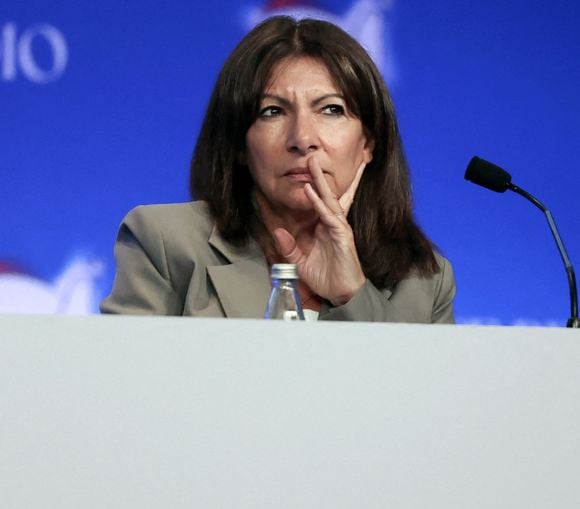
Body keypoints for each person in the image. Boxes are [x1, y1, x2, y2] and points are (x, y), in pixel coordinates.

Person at [100, 16, 455, 322]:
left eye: (331, 109)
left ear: (369, 144)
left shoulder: (424, 282)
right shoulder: (166, 243)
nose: (302, 138)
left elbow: (409, 398)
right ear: (239, 145)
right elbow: (126, 386)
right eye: (272, 111)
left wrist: (353, 295)